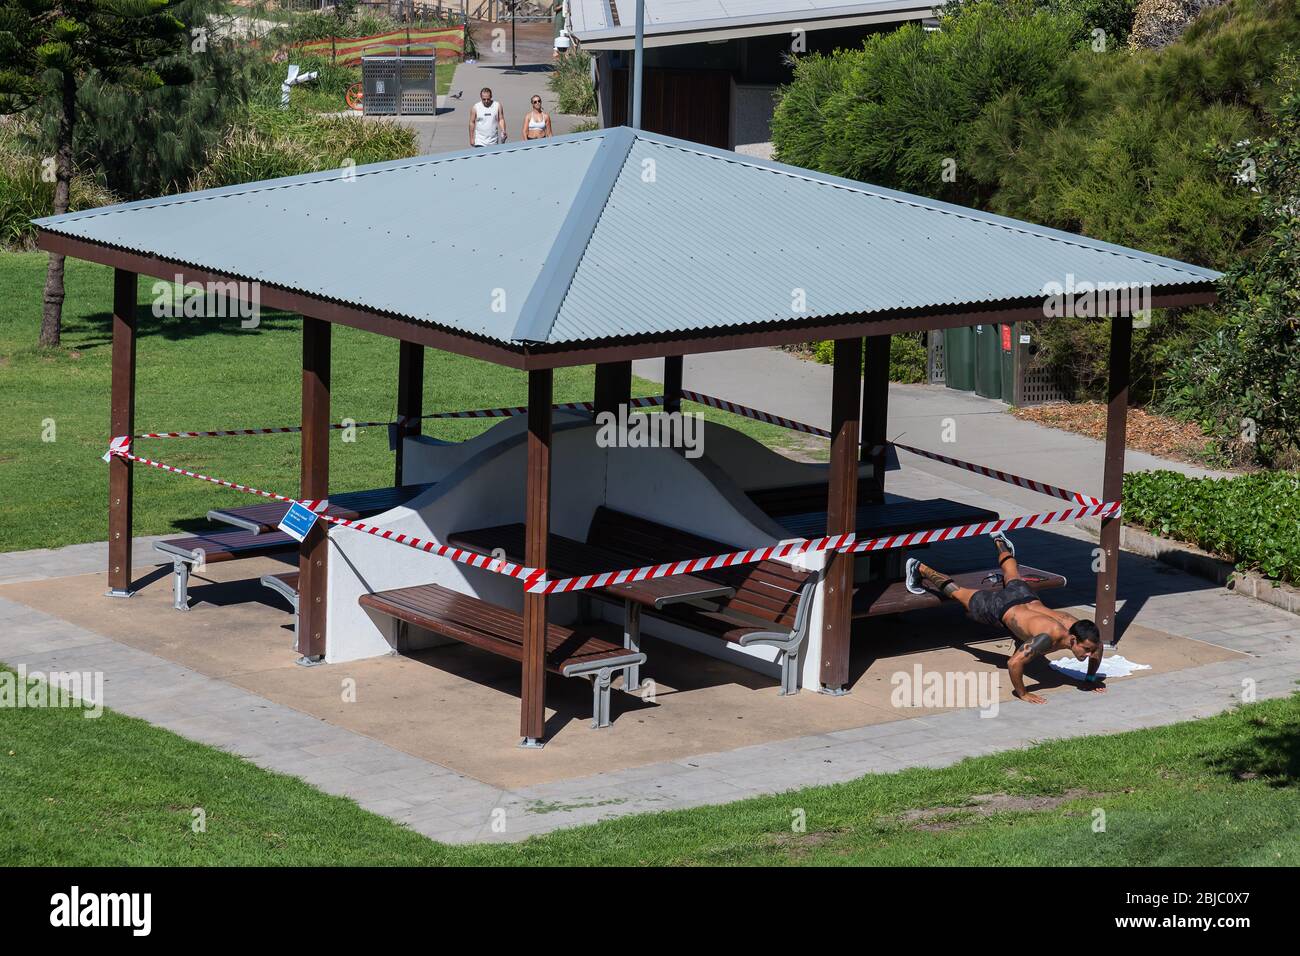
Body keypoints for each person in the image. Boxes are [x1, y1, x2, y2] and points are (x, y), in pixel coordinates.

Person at [905, 532, 1106, 704]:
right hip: (1002, 606)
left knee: (1011, 573)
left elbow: (1098, 649)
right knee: (958, 594)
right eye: (1086, 650)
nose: (1089, 654)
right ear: (1073, 640)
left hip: (1026, 597)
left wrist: (1090, 678)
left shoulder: (1082, 632)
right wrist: (1023, 693)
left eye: (1090, 649)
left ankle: (999, 540)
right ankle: (919, 567)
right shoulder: (1046, 637)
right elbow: (1013, 663)